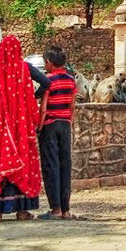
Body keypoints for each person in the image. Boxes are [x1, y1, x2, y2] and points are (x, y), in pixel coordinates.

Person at [0, 36, 50, 223]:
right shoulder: (25, 69)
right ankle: (22, 211)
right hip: (22, 127)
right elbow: (46, 83)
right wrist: (29, 97)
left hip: (0, 126)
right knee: (23, 162)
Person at [37, 45, 76, 220]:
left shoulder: (48, 81)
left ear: (49, 62)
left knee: (50, 165)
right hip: (65, 124)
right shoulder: (71, 80)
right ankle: (66, 209)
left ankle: (55, 209)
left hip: (50, 124)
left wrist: (39, 126)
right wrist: (69, 120)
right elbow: (72, 105)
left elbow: (43, 108)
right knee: (65, 164)